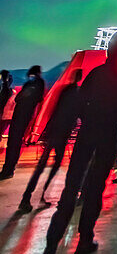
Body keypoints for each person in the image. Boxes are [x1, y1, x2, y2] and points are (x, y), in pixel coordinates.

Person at [43, 30, 117, 254]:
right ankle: (85, 239)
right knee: (95, 188)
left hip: (87, 134)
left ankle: (52, 243)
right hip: (107, 136)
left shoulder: (96, 73)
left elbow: (79, 103)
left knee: (71, 189)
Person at [17, 69, 83, 213]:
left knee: (42, 166)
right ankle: (41, 194)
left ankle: (28, 197)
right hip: (62, 133)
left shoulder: (65, 90)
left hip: (55, 131)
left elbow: (56, 109)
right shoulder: (77, 93)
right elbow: (78, 112)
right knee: (54, 165)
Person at [0, 65, 45, 179]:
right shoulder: (39, 84)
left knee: (13, 143)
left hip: (20, 115)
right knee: (15, 143)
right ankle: (9, 169)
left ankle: (8, 169)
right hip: (25, 116)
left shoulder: (33, 83)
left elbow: (18, 98)